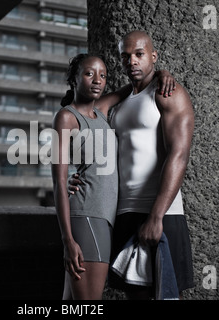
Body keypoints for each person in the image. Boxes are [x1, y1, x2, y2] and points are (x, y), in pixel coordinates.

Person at [69, 30, 195, 299]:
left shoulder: (167, 93)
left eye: (139, 54)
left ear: (153, 55)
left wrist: (156, 216)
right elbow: (80, 114)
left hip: (160, 213)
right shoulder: (121, 103)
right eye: (125, 57)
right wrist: (70, 173)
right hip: (124, 213)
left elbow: (179, 155)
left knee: (163, 295)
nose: (132, 62)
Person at [52, 53, 176, 300]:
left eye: (103, 75)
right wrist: (68, 241)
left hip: (105, 217)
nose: (98, 80)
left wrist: (161, 74)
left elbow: (133, 86)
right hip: (88, 215)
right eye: (89, 74)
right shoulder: (66, 117)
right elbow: (58, 181)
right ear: (74, 79)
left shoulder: (100, 112)